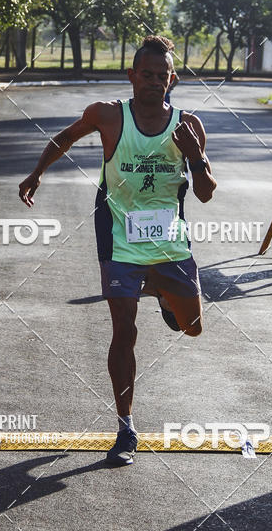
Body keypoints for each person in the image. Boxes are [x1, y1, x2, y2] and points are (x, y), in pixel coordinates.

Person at [18, 35, 217, 467]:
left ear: (172, 80)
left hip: (169, 242)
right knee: (124, 329)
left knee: (194, 326)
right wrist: (36, 173)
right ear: (131, 76)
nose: (153, 83)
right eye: (146, 75)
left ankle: (165, 293)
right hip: (119, 238)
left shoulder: (189, 126)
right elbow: (64, 138)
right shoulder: (107, 116)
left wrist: (196, 157)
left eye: (162, 77)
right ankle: (126, 427)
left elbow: (204, 194)